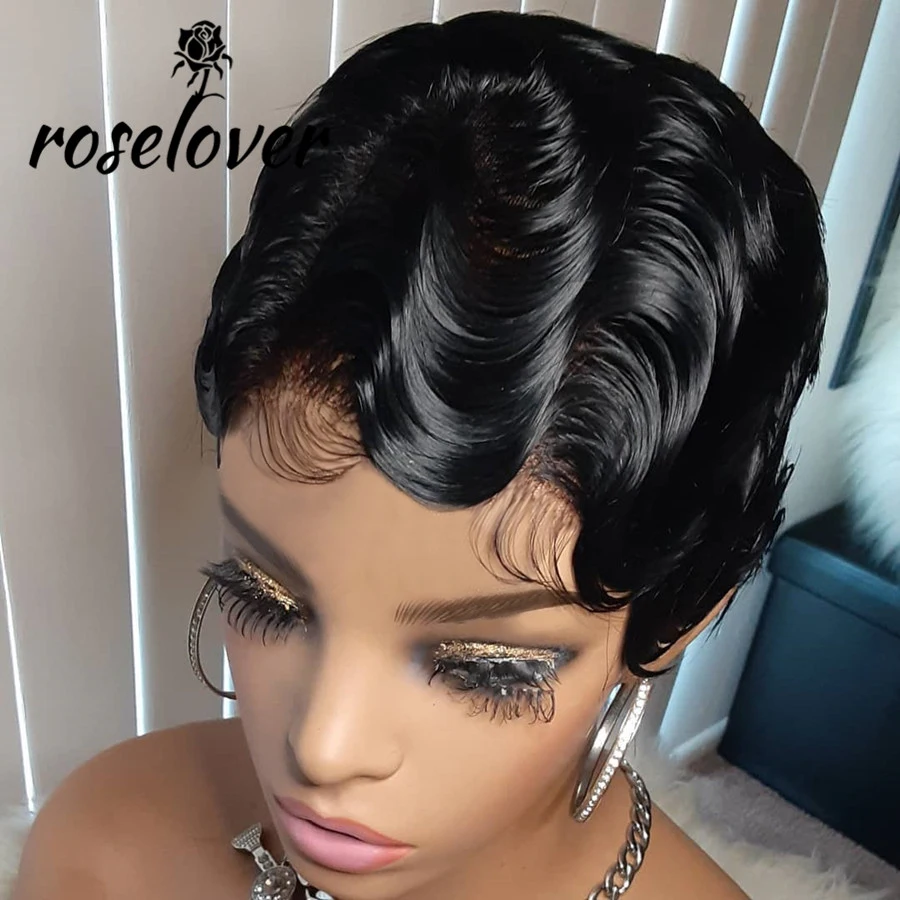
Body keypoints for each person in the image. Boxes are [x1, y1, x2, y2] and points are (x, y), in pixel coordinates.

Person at [12, 10, 827, 899]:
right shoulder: (105, 858)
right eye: (263, 595)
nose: (323, 746)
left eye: (484, 668)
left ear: (683, 614)